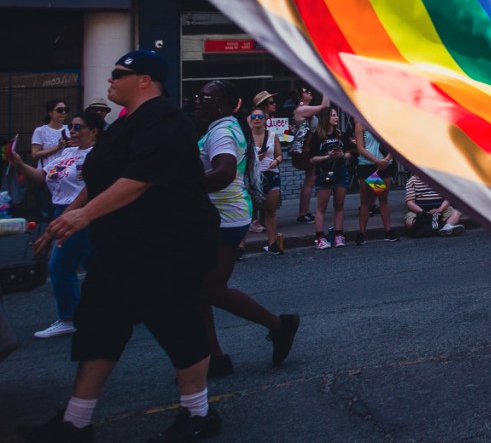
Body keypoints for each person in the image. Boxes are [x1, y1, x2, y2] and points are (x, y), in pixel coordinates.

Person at [16, 50, 223, 442]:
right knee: (97, 323)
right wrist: (68, 218)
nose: (109, 80)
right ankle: (76, 423)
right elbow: (102, 178)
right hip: (122, 247)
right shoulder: (124, 125)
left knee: (175, 321)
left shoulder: (166, 119)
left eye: (118, 73)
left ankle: (198, 414)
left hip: (168, 245)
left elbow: (141, 178)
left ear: (145, 80)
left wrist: (84, 216)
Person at [195, 80, 300, 379]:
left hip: (223, 218)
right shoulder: (221, 127)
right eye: (198, 95)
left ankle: (279, 325)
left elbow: (224, 172)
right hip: (221, 216)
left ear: (230, 104)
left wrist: (180, 183)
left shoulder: (222, 131)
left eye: (207, 97)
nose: (199, 100)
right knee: (201, 290)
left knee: (210, 288)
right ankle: (214, 357)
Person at [7, 111, 103, 340]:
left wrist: (64, 220)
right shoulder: (68, 152)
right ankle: (121, 307)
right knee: (96, 265)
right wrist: (19, 163)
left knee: (59, 265)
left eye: (78, 128)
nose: (72, 132)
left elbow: (91, 190)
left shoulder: (97, 155)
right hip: (59, 209)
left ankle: (69, 317)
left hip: (80, 213)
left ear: (94, 131)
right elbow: (42, 176)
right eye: (71, 128)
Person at [308, 107, 354, 249]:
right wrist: (328, 156)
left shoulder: (342, 134)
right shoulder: (317, 136)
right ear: (326, 118)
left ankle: (338, 235)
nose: (336, 117)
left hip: (340, 170)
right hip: (324, 172)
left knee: (339, 205)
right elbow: (312, 159)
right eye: (333, 115)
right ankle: (320, 238)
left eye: (336, 115)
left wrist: (342, 155)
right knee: (321, 207)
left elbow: (349, 153)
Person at [354, 120, 400, 244]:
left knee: (383, 197)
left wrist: (386, 159)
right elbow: (360, 148)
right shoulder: (361, 124)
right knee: (366, 200)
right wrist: (377, 161)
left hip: (384, 165)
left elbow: (394, 144)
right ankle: (362, 233)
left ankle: (388, 231)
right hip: (368, 166)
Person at [249, 94, 284, 254]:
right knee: (247, 214)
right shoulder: (246, 137)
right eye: (253, 117)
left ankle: (272, 244)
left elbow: (279, 155)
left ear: (264, 119)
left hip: (271, 175)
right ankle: (240, 247)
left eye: (259, 117)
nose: (256, 119)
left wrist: (276, 161)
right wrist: (256, 158)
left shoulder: (273, 135)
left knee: (271, 212)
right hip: (254, 176)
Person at [291, 86, 329, 224]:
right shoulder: (302, 109)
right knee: (309, 181)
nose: (309, 92)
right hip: (305, 151)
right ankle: (303, 213)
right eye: (306, 92)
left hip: (307, 150)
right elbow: (325, 107)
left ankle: (304, 212)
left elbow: (324, 110)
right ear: (301, 96)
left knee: (310, 180)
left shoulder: (305, 109)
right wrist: (327, 89)